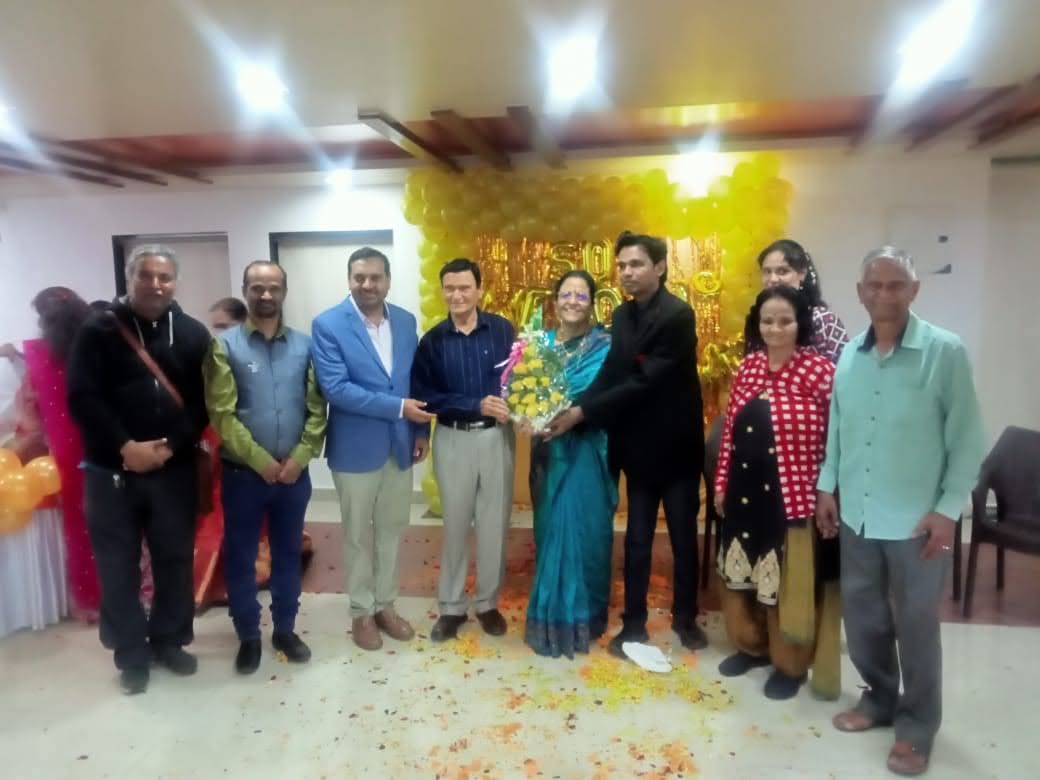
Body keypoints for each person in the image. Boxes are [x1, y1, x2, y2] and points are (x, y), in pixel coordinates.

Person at [816, 246, 983, 777]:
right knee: (863, 618)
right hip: (858, 515)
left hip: (918, 523)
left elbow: (967, 441)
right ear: (860, 292)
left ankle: (917, 726)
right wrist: (826, 487)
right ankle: (880, 699)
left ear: (914, 290)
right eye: (875, 285)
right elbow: (838, 428)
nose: (884, 294)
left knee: (916, 627)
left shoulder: (944, 352)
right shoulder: (850, 355)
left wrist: (948, 511)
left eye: (896, 285)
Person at [548, 231, 707, 655]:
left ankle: (686, 619)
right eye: (621, 265)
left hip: (676, 448)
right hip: (637, 447)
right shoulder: (620, 315)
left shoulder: (679, 315)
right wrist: (577, 406)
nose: (627, 272)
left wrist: (583, 413)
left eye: (636, 264)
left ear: (660, 267)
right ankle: (633, 624)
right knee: (637, 539)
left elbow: (643, 381)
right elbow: (612, 373)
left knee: (682, 539)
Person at [67, 245, 211, 695]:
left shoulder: (193, 334)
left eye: (164, 277)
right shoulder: (97, 331)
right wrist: (125, 446)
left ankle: (169, 641)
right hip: (112, 470)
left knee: (174, 559)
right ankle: (131, 655)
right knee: (118, 566)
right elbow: (82, 397)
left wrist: (169, 447)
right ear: (129, 279)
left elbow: (204, 403)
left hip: (172, 468)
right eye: (145, 276)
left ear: (175, 282)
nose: (155, 285)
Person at [713, 286, 837, 700]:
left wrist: (829, 490)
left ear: (800, 324)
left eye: (785, 321)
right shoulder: (748, 367)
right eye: (767, 321)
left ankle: (790, 665)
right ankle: (751, 648)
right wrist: (721, 483)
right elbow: (730, 434)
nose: (775, 329)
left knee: (788, 584)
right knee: (742, 576)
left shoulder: (819, 371)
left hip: (792, 495)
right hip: (744, 492)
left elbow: (839, 436)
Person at [204, 261, 326, 674]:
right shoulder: (224, 347)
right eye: (257, 287)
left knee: (288, 555)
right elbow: (222, 414)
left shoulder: (306, 346)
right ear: (245, 290)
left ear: (284, 291)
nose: (266, 295)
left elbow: (317, 408)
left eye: (273, 287)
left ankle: (285, 630)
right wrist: (261, 461)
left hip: (293, 476)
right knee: (240, 557)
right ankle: (249, 636)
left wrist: (300, 458)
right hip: (244, 477)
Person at [312, 247, 432, 651]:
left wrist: (420, 432)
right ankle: (361, 612)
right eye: (359, 277)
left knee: (391, 533)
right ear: (349, 280)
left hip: (400, 446)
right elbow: (337, 389)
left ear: (388, 280)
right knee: (357, 537)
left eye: (375, 277)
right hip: (354, 450)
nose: (367, 284)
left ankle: (385, 605)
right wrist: (399, 408)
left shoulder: (405, 320)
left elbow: (414, 381)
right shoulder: (328, 324)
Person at [411, 258, 515, 642]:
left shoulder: (502, 330)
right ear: (443, 292)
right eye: (450, 288)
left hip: (496, 438)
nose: (457, 295)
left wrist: (518, 404)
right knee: (455, 525)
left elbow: (517, 377)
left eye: (464, 288)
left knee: (494, 525)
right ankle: (452, 607)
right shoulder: (433, 341)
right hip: (453, 438)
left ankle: (487, 603)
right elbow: (425, 396)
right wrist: (476, 404)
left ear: (479, 290)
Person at [524, 270, 616, 659]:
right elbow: (522, 393)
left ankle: (585, 616)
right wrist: (527, 416)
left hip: (588, 448)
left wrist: (576, 414)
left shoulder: (606, 347)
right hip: (548, 451)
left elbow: (612, 395)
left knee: (586, 530)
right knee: (551, 528)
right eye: (566, 294)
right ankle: (553, 615)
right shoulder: (537, 344)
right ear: (555, 300)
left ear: (592, 303)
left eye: (581, 295)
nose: (573, 301)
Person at [0, 288, 99, 633]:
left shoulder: (37, 354)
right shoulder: (102, 346)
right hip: (111, 444)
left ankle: (89, 601)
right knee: (119, 522)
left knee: (79, 523)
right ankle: (132, 593)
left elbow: (28, 412)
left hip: (68, 451)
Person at [754, 239, 848, 363]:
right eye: (767, 272)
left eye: (782, 271)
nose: (773, 279)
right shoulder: (758, 319)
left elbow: (844, 370)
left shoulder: (823, 319)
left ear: (802, 274)